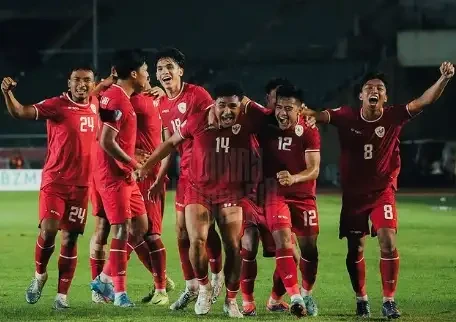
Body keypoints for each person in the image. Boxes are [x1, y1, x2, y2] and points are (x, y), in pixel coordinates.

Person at [301, 62, 454, 319]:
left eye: (380, 88)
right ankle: (361, 300)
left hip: (382, 191)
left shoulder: (394, 115)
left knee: (387, 240)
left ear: (385, 96)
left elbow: (423, 101)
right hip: (353, 196)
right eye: (369, 87)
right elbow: (322, 115)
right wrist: (306, 113)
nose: (375, 90)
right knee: (356, 250)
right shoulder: (347, 115)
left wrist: (444, 79)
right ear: (361, 95)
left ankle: (389, 301)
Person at [137, 82, 269, 318]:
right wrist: (147, 167)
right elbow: (170, 142)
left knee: (234, 247)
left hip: (230, 193)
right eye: (222, 105)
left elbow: (271, 118)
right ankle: (204, 288)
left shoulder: (247, 121)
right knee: (195, 240)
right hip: (198, 190)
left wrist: (249, 101)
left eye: (233, 106)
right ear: (213, 105)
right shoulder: (198, 121)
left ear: (241, 106)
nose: (228, 111)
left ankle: (230, 299)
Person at [1, 65, 98, 309]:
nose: (82, 85)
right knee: (49, 230)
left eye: (87, 80)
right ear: (69, 83)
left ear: (93, 83)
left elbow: (119, 88)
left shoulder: (98, 103)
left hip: (82, 186)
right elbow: (21, 112)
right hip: (55, 182)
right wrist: (7, 93)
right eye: (77, 80)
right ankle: (40, 275)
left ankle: (62, 296)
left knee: (71, 238)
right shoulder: (57, 105)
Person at [153, 47, 224, 310]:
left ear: (181, 70)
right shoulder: (161, 104)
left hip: (207, 175)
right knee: (182, 232)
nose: (164, 72)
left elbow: (215, 128)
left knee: (202, 233)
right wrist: (160, 176)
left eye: (169, 66)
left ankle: (214, 277)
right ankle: (192, 286)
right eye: (160, 68)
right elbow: (169, 145)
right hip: (185, 175)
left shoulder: (197, 95)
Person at [89, 49, 150, 308]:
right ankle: (120, 294)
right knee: (122, 229)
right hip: (113, 175)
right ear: (134, 74)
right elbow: (106, 140)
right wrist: (133, 162)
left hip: (123, 175)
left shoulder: (114, 95)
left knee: (141, 227)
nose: (149, 76)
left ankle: (103, 278)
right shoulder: (117, 100)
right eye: (146, 71)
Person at [259, 84, 321, 317]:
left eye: (288, 108)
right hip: (275, 193)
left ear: (300, 109)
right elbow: (242, 103)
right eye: (279, 107)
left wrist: (294, 178)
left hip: (304, 196)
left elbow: (314, 169)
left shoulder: (309, 131)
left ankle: (305, 293)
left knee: (310, 252)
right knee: (284, 241)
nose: (282, 113)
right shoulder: (265, 125)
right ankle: (295, 297)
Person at [240, 78, 299, 316]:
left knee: (292, 254)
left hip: (275, 196)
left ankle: (275, 299)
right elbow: (237, 99)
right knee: (249, 244)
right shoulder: (257, 119)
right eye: (277, 100)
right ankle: (246, 300)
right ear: (269, 100)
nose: (281, 108)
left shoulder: (292, 127)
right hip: (249, 196)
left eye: (287, 104)